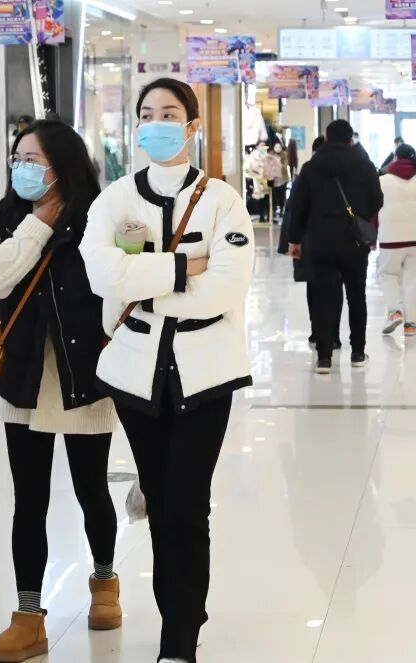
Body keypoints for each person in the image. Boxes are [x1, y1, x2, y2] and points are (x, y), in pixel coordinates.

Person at [80, 77, 255, 663]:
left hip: (206, 372)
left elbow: (226, 286)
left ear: (192, 126)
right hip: (137, 372)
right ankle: (177, 611)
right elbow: (100, 275)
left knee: (186, 502)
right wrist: (184, 267)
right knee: (159, 497)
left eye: (170, 113)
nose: (157, 123)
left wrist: (145, 277)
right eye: (147, 113)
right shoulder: (115, 200)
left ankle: (179, 636)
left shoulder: (222, 200)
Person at [0, 120, 120, 663]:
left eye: (32, 159)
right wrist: (36, 226)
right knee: (29, 499)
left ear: (62, 164)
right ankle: (28, 617)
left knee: (91, 489)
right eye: (17, 158)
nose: (22, 168)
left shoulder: (99, 217)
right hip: (24, 377)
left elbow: (116, 283)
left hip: (85, 375)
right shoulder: (3, 219)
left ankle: (105, 582)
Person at [289, 119, 384, 374]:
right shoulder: (364, 165)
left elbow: (298, 206)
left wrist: (295, 239)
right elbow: (377, 200)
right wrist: (359, 215)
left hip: (321, 241)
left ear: (326, 138)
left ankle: (324, 358)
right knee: (356, 296)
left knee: (324, 297)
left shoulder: (311, 167)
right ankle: (358, 352)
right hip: (354, 241)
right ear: (351, 139)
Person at [277, 136, 342, 349]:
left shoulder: (307, 171)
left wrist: (291, 241)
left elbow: (293, 209)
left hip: (310, 241)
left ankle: (317, 331)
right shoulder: (341, 171)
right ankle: (333, 334)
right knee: (335, 287)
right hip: (337, 240)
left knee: (314, 286)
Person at [374, 144, 416, 338]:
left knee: (388, 274)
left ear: (395, 157)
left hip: (391, 239)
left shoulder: (382, 181)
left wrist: (371, 236)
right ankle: (410, 325)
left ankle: (395, 311)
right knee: (415, 281)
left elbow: (374, 210)